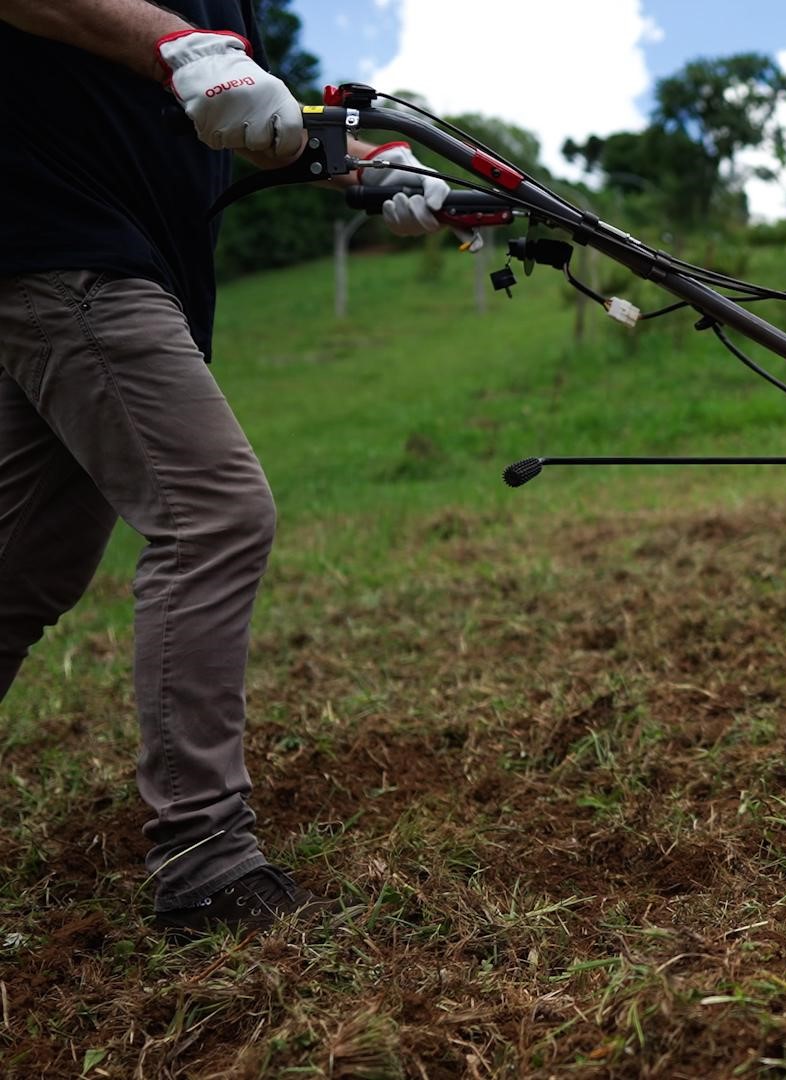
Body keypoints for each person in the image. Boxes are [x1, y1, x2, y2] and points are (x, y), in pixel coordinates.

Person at [0, 0, 454, 934]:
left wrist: (373, 169)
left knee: (26, 564)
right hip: (64, 242)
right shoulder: (185, 23)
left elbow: (243, 122)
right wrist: (180, 47)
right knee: (213, 514)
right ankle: (204, 857)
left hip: (123, 261)